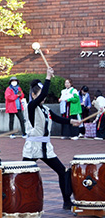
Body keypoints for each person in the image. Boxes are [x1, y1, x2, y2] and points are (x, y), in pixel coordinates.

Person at [22, 67, 80, 210]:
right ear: (34, 95)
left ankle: (67, 201)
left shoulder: (45, 109)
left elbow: (57, 118)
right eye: (41, 95)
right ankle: (21, 203)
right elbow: (43, 95)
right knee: (22, 175)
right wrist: (48, 76)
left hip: (46, 148)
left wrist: (72, 122)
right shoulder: (31, 106)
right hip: (33, 147)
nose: (44, 97)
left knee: (62, 171)